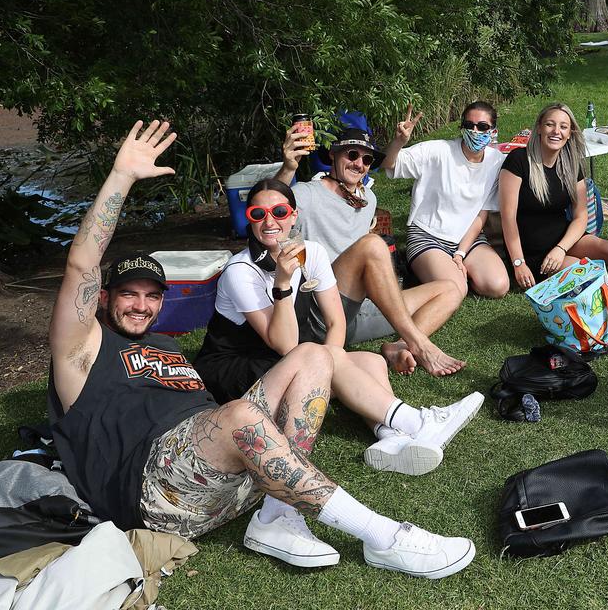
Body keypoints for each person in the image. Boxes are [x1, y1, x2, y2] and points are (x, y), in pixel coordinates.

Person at [47, 120, 475, 578]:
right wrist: (122, 178)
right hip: (159, 491)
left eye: (152, 295)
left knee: (313, 356)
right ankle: (385, 537)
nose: (141, 305)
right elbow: (81, 261)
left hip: (229, 475)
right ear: (103, 298)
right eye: (128, 294)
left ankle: (277, 516)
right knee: (242, 414)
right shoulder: (82, 348)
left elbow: (305, 341)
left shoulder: (166, 344)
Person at [194, 177, 483, 475]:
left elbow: (336, 321)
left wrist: (333, 362)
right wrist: (282, 283)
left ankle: (389, 437)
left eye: (279, 212)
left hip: (281, 359)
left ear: (294, 216)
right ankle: (416, 422)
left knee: (369, 360)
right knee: (328, 358)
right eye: (258, 214)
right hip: (237, 372)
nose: (269, 221)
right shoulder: (241, 271)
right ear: (249, 220)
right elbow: (283, 343)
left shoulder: (311, 253)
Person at [276, 124, 464, 376]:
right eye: (352, 155)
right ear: (333, 154)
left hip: (360, 312)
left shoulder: (368, 200)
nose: (359, 164)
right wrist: (289, 168)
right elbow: (272, 208)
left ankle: (398, 346)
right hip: (323, 314)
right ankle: (421, 346)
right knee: (373, 244)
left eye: (366, 159)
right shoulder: (307, 194)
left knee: (451, 288)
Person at [499, 103, 608, 289]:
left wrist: (561, 248)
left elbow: (580, 216)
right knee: (590, 275)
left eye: (563, 126)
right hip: (530, 250)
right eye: (549, 124)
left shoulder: (571, 164)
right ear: (539, 128)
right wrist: (519, 263)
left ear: (570, 133)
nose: (556, 131)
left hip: (562, 239)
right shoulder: (519, 159)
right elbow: (508, 217)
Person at [382, 101, 509, 300]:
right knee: (456, 289)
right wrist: (399, 142)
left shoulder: (496, 162)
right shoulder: (438, 151)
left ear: (493, 131)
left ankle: (447, 270)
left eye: (482, 127)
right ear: (462, 127)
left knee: (498, 286)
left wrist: (460, 253)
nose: (475, 131)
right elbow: (390, 164)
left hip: (469, 237)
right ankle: (425, 265)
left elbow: (481, 215)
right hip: (428, 234)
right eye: (469, 125)